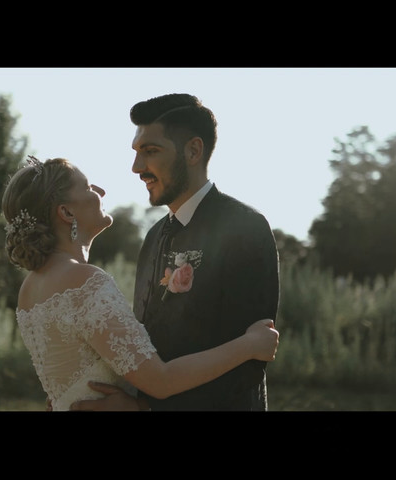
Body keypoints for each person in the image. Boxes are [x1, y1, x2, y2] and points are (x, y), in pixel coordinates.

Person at [1, 155, 279, 411]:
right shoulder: (83, 282)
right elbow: (161, 380)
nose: (100, 191)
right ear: (67, 212)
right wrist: (250, 344)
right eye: (87, 187)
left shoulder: (30, 288)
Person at [71, 93, 281, 411]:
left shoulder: (245, 228)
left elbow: (246, 370)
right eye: (136, 153)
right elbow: (145, 343)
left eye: (150, 151)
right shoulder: (154, 236)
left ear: (193, 151)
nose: (137, 167)